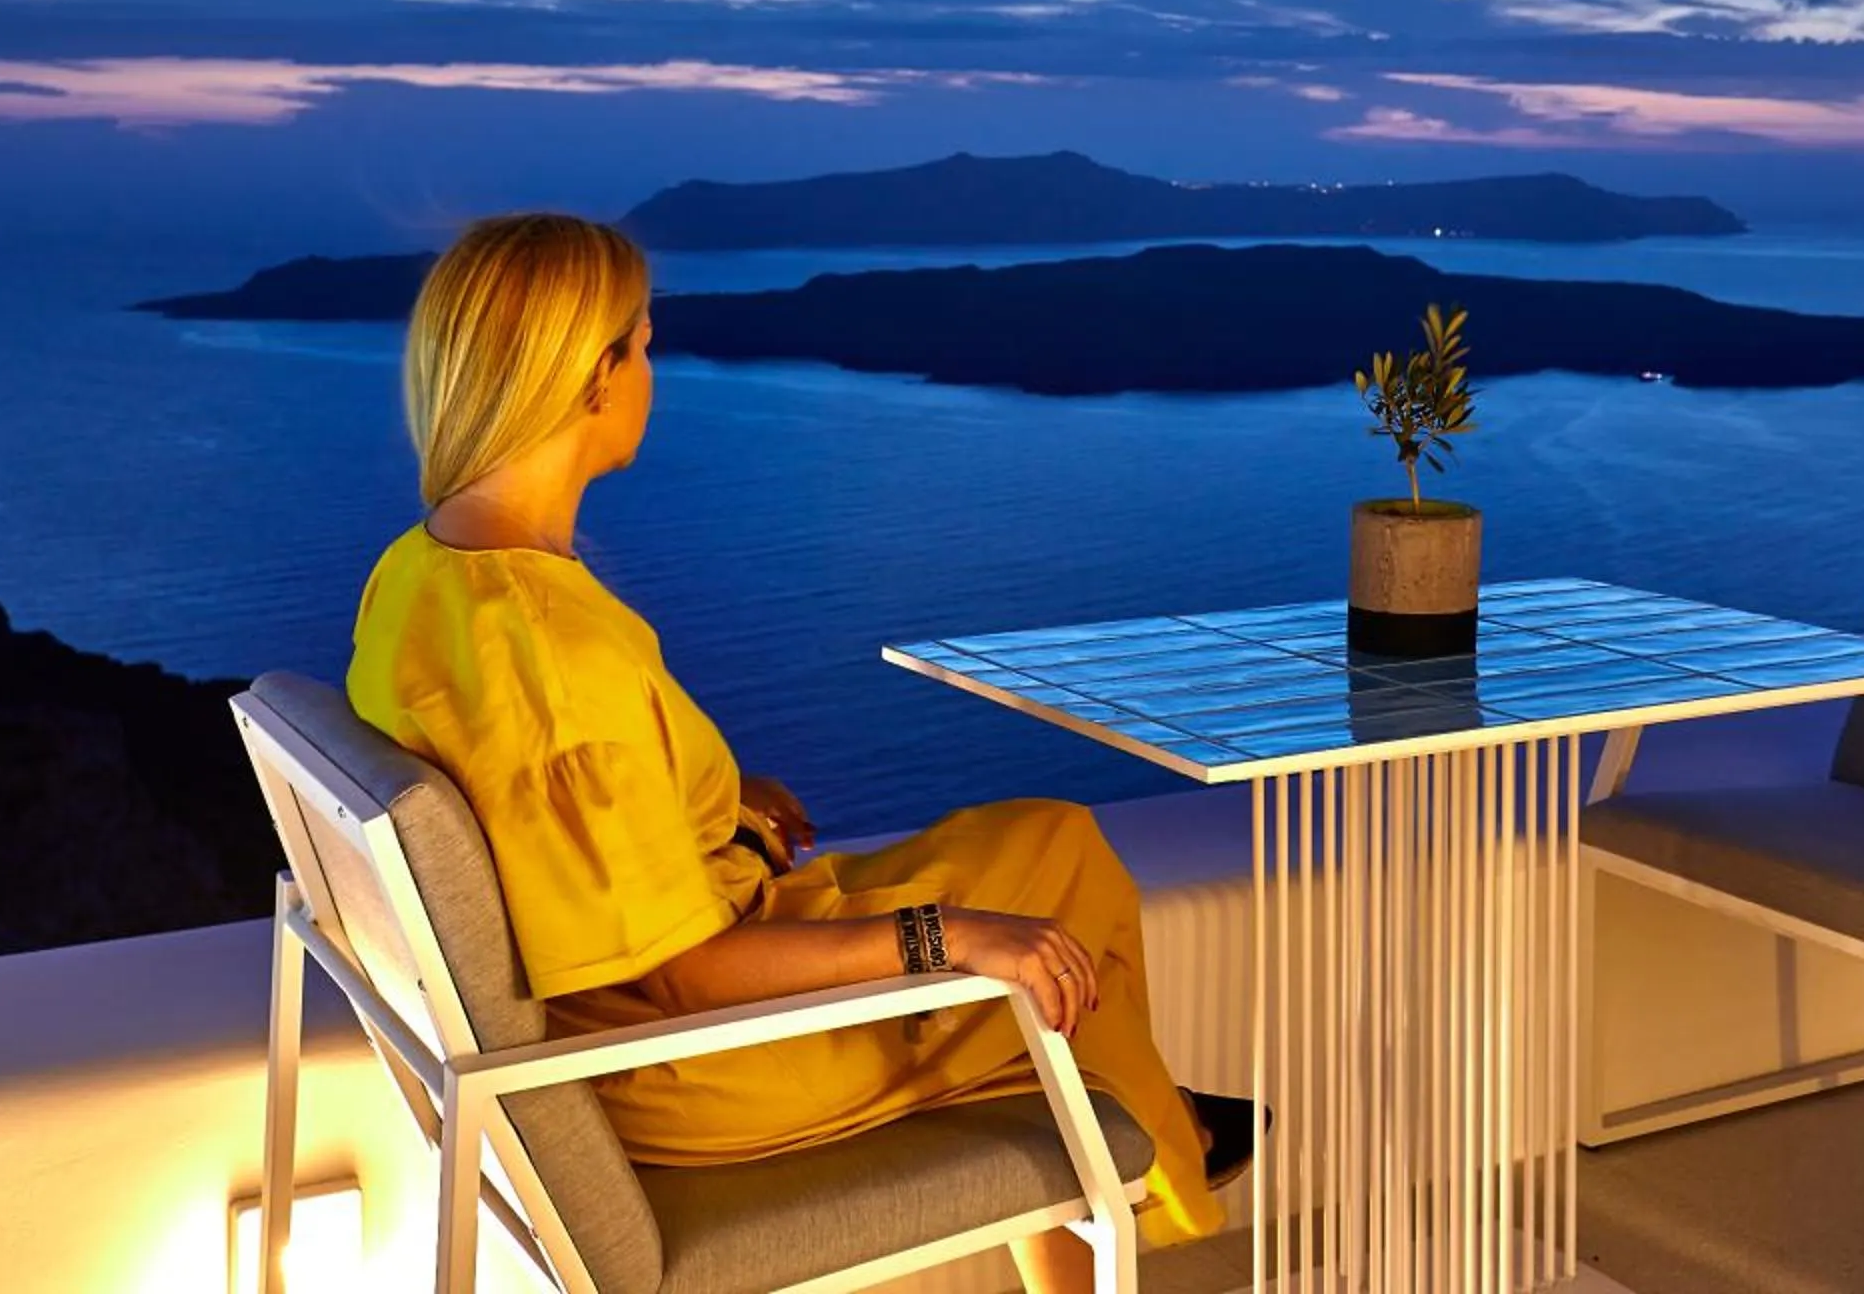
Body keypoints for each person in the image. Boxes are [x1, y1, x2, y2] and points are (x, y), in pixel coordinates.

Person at [345, 213, 1239, 1286]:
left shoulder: (424, 574)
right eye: (640, 343)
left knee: (1052, 844)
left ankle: (1158, 1116)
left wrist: (705, 812)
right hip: (692, 1067)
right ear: (591, 378)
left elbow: (556, 825)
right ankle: (1168, 1138)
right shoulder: (549, 649)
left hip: (635, 1004)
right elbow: (685, 978)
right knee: (1047, 919)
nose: (649, 371)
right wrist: (946, 937)